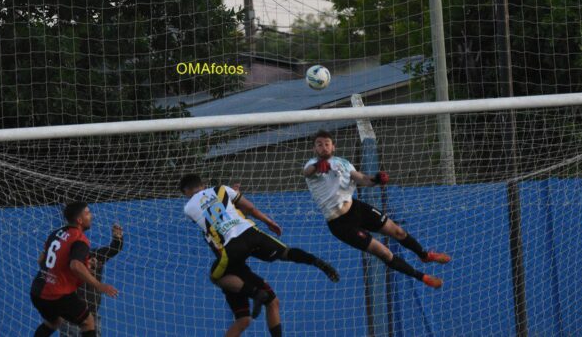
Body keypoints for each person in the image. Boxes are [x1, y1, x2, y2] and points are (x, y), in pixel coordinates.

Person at [180, 173, 340, 336]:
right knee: (285, 254)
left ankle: (256, 293)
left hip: (231, 252)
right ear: (203, 183)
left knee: (215, 277)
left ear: (185, 192)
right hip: (250, 235)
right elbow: (249, 209)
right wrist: (269, 221)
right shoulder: (222, 189)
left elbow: (212, 214)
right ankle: (315, 261)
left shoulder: (188, 208)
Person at [302, 130, 450, 289]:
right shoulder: (312, 165)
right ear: (314, 149)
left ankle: (424, 255)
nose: (323, 147)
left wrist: (377, 179)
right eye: (319, 145)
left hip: (356, 208)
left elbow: (363, 179)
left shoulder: (343, 163)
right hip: (340, 224)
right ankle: (423, 277)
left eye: (327, 144)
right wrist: (317, 166)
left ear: (333, 147)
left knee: (398, 231)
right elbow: (307, 173)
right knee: (384, 253)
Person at [30, 201, 119, 337]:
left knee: (53, 323)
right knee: (88, 322)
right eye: (87, 213)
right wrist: (99, 285)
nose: (91, 216)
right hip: (57, 294)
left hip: (37, 291)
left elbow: (41, 259)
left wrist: (55, 274)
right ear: (79, 220)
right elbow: (75, 265)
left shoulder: (56, 233)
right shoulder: (79, 239)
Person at [60, 224, 124, 337]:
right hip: (71, 317)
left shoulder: (96, 255)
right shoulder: (67, 261)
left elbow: (114, 249)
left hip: (92, 316)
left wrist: (117, 239)